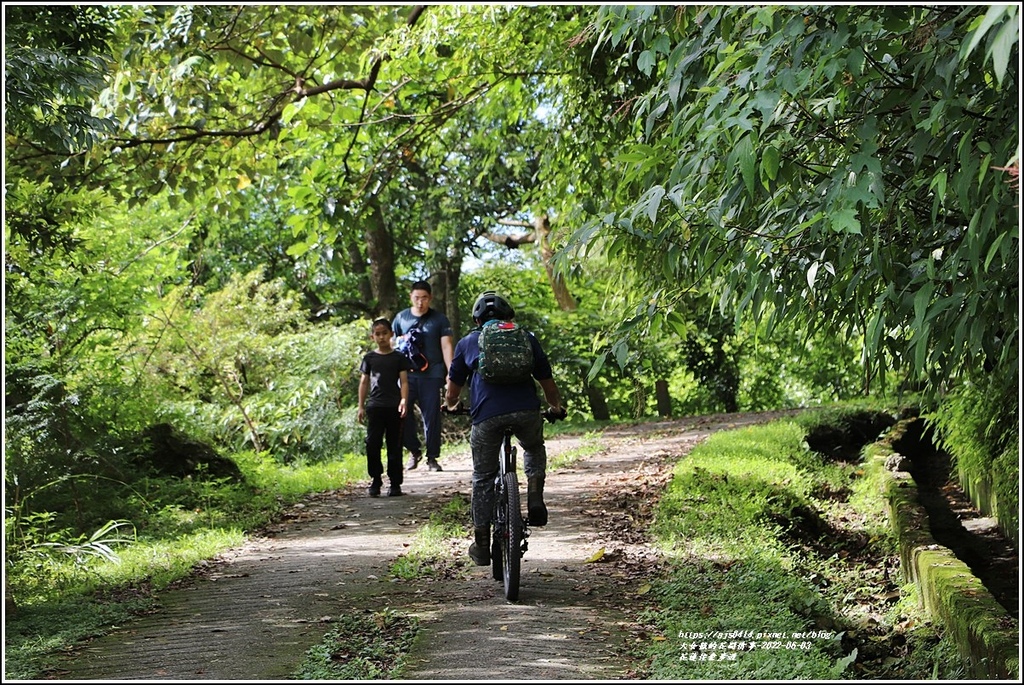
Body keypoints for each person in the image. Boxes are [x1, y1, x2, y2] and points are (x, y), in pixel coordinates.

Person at [444, 291, 564, 566]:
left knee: (483, 477)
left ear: (477, 320)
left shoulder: (468, 342)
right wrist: (555, 408)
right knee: (532, 447)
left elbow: (453, 390)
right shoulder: (527, 338)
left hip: (486, 417)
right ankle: (534, 496)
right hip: (526, 412)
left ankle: (482, 542)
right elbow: (548, 384)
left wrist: (450, 405)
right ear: (509, 317)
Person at [392, 280, 454, 472]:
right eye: (417, 298)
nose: (420, 302)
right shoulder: (401, 318)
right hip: (406, 375)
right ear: (411, 297)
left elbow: (446, 346)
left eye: (424, 298)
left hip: (432, 374)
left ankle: (432, 458)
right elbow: (392, 345)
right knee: (401, 414)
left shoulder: (440, 320)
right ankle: (413, 450)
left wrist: (450, 374)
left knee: (432, 416)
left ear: (430, 298)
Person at [357, 318, 410, 497]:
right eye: (377, 334)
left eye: (384, 333)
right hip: (375, 406)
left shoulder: (399, 358)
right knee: (373, 444)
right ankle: (376, 479)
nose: (381, 337)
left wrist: (404, 400)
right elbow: (364, 382)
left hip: (394, 407)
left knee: (394, 445)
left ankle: (395, 483)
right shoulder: (369, 358)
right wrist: (361, 406)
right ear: (373, 336)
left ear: (391, 335)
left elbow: (404, 381)